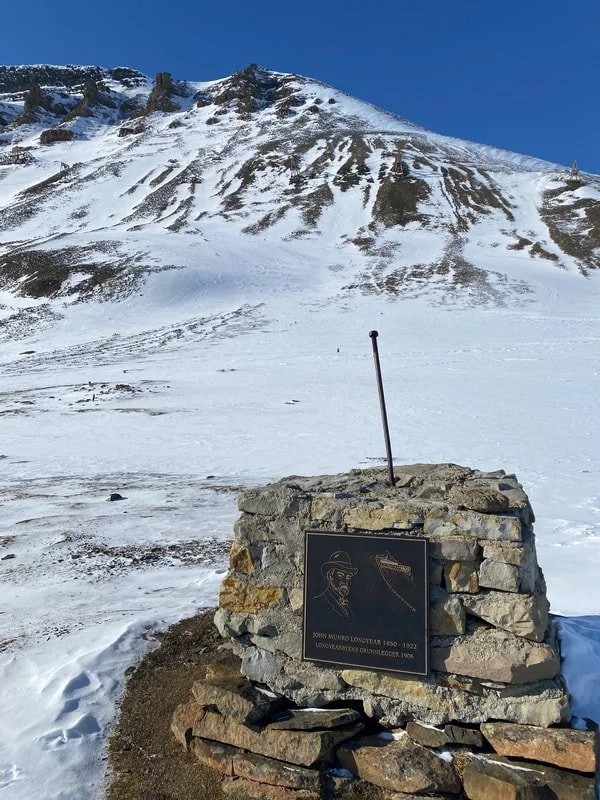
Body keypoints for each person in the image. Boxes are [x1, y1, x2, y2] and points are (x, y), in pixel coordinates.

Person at [314, 551, 358, 619]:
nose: (345, 582)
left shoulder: (351, 605)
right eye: (340, 576)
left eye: (348, 578)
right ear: (330, 576)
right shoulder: (318, 603)